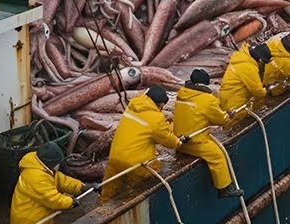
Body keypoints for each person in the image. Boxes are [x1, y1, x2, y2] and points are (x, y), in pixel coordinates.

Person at [101, 85, 180, 203]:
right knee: (135, 194)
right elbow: (168, 140)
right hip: (136, 164)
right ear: (161, 105)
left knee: (108, 192)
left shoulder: (133, 105)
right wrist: (179, 142)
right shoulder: (156, 118)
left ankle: (102, 211)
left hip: (115, 157)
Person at [173, 69, 243, 199]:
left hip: (178, 139)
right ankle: (224, 188)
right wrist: (228, 115)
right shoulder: (207, 100)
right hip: (194, 141)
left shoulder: (182, 94)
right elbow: (220, 120)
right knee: (217, 156)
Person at [9, 141, 87, 224]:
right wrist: (71, 202)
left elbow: (60, 180)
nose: (59, 165)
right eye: (57, 163)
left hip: (41, 220)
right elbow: (52, 199)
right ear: (50, 162)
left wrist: (80, 187)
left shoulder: (42, 167)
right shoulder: (36, 176)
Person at [219, 42, 272, 116]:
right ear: (260, 60)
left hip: (227, 95)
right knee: (235, 121)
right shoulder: (248, 68)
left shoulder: (243, 57)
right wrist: (266, 91)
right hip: (235, 100)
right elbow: (257, 91)